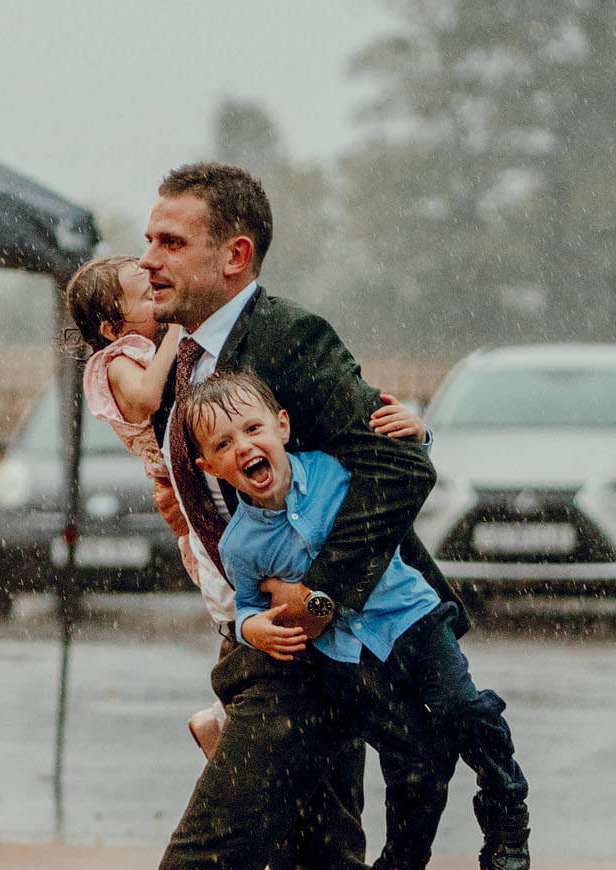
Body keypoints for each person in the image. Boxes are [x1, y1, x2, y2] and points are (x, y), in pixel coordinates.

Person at [40, 163, 555, 870]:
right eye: (147, 240)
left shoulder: (288, 339)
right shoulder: (182, 358)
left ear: (234, 254)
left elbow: (398, 468)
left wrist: (319, 599)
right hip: (269, 650)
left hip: (313, 663)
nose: (147, 260)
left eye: (170, 242)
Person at [187, 368, 532, 870]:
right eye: (223, 444)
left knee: (464, 709)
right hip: (349, 655)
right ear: (209, 467)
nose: (243, 447)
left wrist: (419, 436)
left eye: (252, 429)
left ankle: (506, 803)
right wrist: (253, 631)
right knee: (415, 756)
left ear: (281, 427)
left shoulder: (332, 470)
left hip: (412, 615)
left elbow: (397, 476)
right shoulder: (241, 545)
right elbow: (242, 606)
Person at [64, 253, 425, 754]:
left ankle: (231, 715)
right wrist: (178, 327)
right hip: (190, 500)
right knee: (236, 599)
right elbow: (146, 400)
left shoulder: (232, 344)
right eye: (147, 297)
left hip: (204, 499)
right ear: (111, 327)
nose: (159, 299)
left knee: (246, 599)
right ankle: (227, 717)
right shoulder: (119, 360)